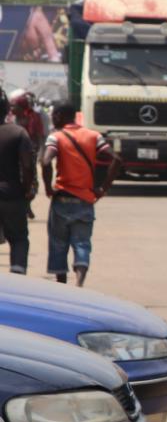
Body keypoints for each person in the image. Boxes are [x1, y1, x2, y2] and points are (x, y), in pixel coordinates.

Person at [41, 103, 121, 287]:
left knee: (58, 244)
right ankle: (79, 281)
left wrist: (48, 188)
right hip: (85, 200)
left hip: (61, 199)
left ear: (60, 116)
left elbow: (46, 162)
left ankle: (61, 285)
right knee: (82, 243)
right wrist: (103, 188)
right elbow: (116, 159)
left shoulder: (56, 137)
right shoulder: (93, 136)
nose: (52, 118)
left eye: (54, 115)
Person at [0, 98, 34, 274]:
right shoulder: (18, 133)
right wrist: (27, 189)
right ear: (7, 110)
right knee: (19, 239)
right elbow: (27, 165)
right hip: (12, 196)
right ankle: (18, 277)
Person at [7, 90, 44, 218]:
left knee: (31, 180)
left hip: (29, 153)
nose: (12, 108)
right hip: (12, 153)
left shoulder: (34, 117)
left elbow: (39, 136)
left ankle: (27, 205)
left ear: (21, 107)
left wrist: (40, 153)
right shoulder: (10, 119)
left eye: (14, 106)